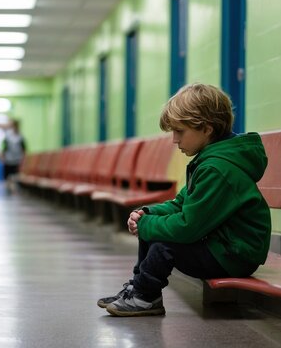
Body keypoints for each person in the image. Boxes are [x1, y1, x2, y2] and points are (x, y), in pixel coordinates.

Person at [97, 83, 272, 317]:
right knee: (153, 223)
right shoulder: (209, 160)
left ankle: (145, 296)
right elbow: (181, 204)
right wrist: (148, 214)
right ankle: (140, 289)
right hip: (220, 244)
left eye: (180, 131)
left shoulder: (218, 169)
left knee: (164, 243)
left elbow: (189, 227)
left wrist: (147, 226)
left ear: (206, 129)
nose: (174, 140)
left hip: (234, 254)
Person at [2, 124, 26, 193]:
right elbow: (4, 148)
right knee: (8, 175)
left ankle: (14, 187)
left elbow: (24, 148)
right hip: (8, 159)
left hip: (17, 159)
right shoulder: (7, 137)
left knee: (15, 174)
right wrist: (3, 156)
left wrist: (24, 158)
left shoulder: (21, 137)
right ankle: (9, 186)